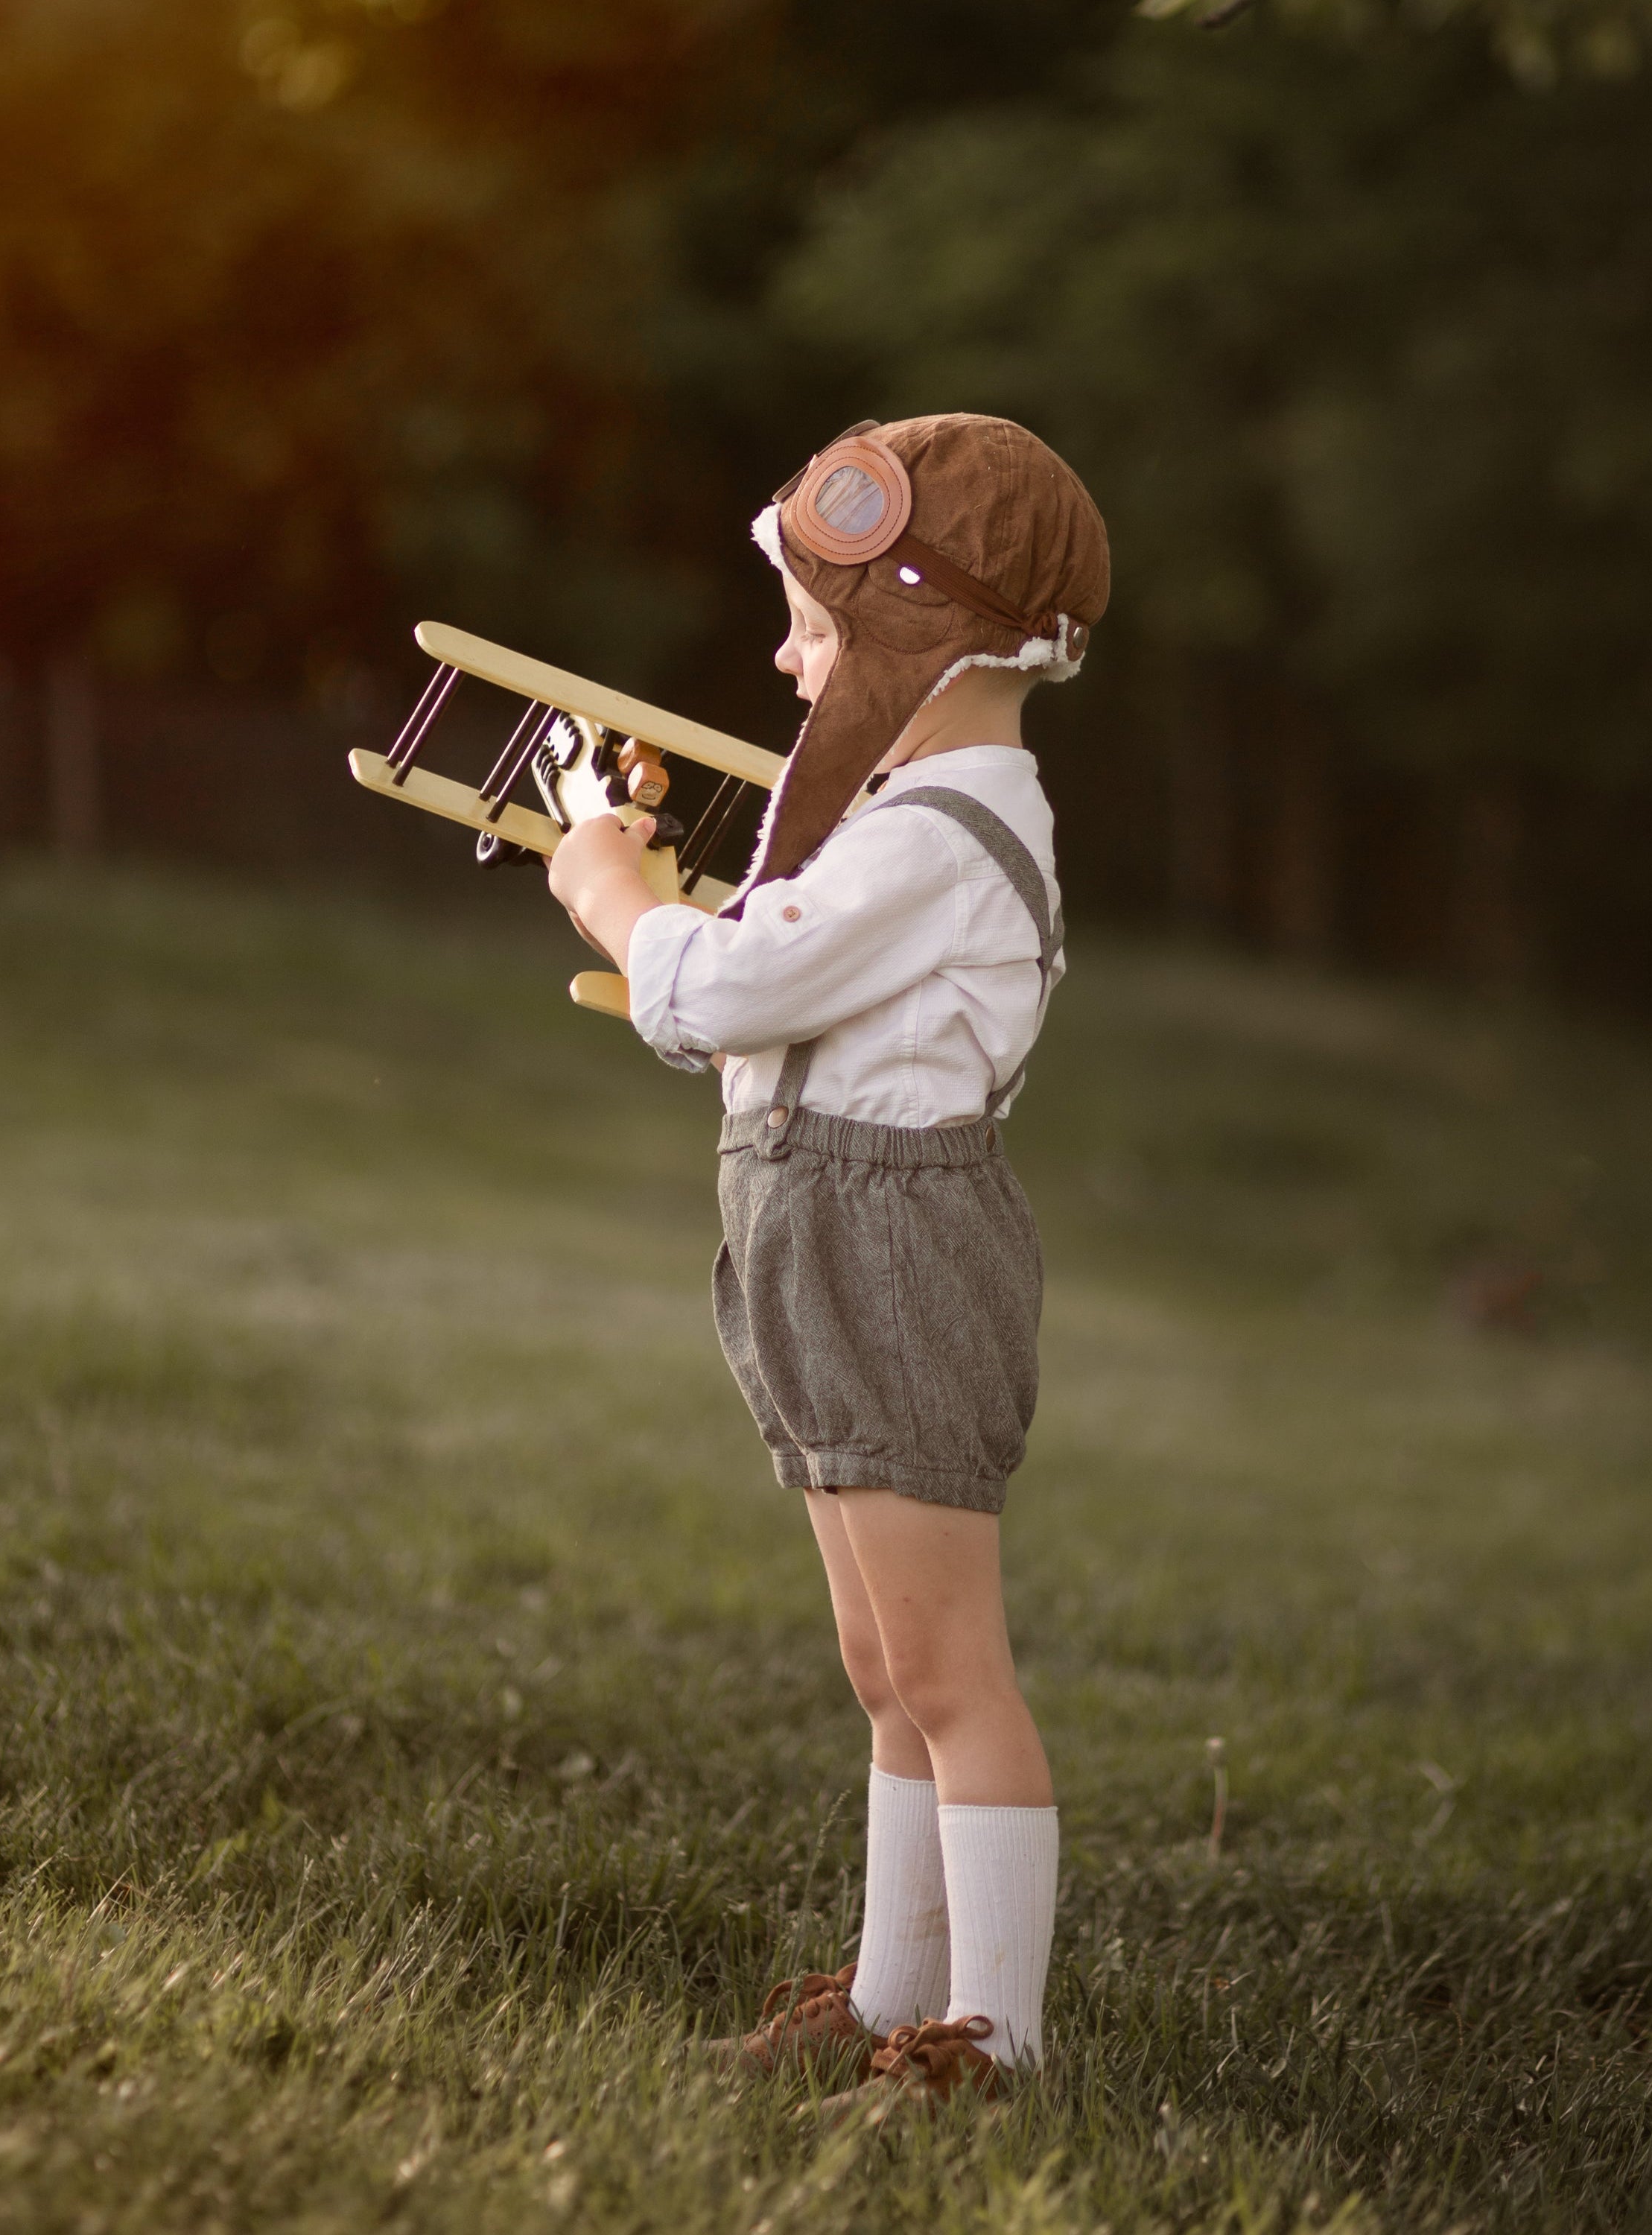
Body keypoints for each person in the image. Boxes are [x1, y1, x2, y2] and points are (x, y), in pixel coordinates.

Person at [547, 413, 1110, 2111]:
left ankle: (991, 2051)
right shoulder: (906, 807)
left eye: (817, 622)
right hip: (823, 1229)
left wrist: (609, 888)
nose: (791, 662)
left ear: (919, 636)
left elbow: (716, 995)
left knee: (950, 1673)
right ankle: (892, 1992)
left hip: (896, 1246)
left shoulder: (934, 832)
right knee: (884, 1669)